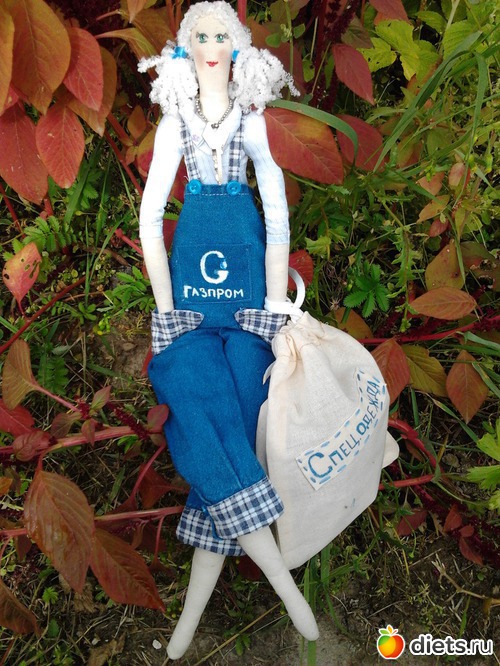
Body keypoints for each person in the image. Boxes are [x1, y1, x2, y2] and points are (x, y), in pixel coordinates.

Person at [138, 2, 318, 659]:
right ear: (184, 49)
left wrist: (272, 303)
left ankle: (191, 615)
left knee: (237, 413)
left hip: (246, 308)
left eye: (221, 35)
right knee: (190, 391)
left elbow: (275, 214)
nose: (211, 44)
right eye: (200, 36)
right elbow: (150, 218)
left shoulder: (252, 120)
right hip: (189, 306)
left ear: (238, 46)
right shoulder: (174, 125)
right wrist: (167, 311)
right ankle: (282, 581)